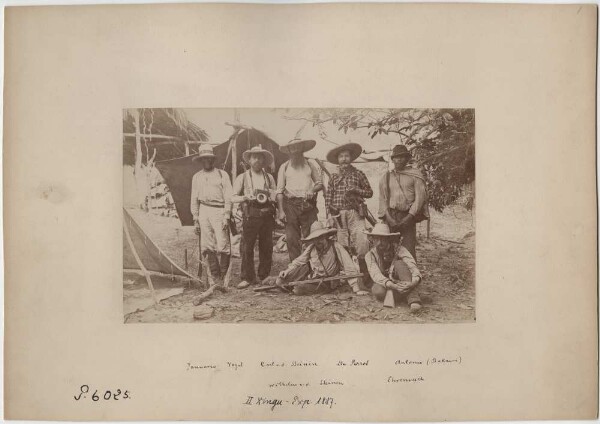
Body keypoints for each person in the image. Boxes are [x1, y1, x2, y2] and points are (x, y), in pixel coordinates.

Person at [325, 142, 373, 287]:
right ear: (338, 159)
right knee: (342, 244)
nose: (344, 159)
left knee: (362, 242)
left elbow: (369, 192)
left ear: (351, 158)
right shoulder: (333, 177)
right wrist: (329, 215)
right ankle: (346, 277)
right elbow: (328, 197)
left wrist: (356, 190)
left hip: (355, 213)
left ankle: (365, 275)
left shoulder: (358, 174)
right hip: (338, 214)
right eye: (341, 156)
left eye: (346, 156)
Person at [275, 221, 369, 296]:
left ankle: (295, 287)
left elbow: (349, 266)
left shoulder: (335, 246)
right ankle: (284, 283)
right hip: (313, 276)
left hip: (327, 281)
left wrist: (356, 289)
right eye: (316, 238)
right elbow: (299, 261)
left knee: (298, 289)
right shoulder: (311, 248)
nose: (318, 240)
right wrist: (287, 271)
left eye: (321, 237)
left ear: (325, 236)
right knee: (280, 280)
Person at [232, 145, 277, 289]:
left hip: (267, 215)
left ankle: (264, 275)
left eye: (260, 157)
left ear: (264, 160)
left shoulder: (269, 177)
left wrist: (270, 195)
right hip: (250, 215)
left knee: (267, 245)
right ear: (249, 160)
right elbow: (232, 197)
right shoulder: (242, 177)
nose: (257, 160)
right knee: (247, 246)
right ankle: (247, 277)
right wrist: (246, 197)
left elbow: (276, 196)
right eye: (254, 157)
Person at [190, 144, 232, 285]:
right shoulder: (196, 177)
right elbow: (194, 198)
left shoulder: (222, 174)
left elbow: (228, 196)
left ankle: (224, 275)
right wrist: (195, 218)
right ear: (200, 161)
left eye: (208, 159)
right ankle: (215, 276)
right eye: (203, 159)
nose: (206, 161)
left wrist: (227, 215)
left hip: (219, 210)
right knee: (207, 244)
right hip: (204, 209)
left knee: (222, 243)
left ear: (213, 160)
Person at [276, 138, 324, 261]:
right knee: (292, 238)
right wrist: (281, 211)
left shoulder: (310, 164)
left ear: (302, 149)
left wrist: (312, 191)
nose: (296, 151)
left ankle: (314, 267)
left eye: (298, 148)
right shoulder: (284, 166)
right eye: (293, 148)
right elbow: (279, 191)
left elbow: (319, 183)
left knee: (313, 235)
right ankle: (296, 269)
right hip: (290, 205)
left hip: (308, 205)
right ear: (289, 151)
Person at [378, 144, 428, 261]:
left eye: (402, 157)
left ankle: (408, 276)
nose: (399, 159)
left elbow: (420, 198)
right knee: (387, 248)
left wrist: (409, 217)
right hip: (390, 216)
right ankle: (388, 276)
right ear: (392, 159)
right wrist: (389, 218)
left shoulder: (415, 175)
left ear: (407, 159)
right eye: (396, 157)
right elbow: (382, 199)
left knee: (408, 248)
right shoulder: (386, 177)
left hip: (408, 215)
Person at [364, 222, 422, 312]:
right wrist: (392, 286)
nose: (379, 242)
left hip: (404, 280)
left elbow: (412, 266)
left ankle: (413, 299)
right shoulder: (369, 255)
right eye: (376, 239)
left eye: (382, 239)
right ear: (373, 240)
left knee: (399, 264)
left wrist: (413, 282)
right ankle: (404, 294)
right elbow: (375, 274)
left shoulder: (400, 249)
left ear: (388, 239)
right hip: (386, 284)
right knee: (377, 291)